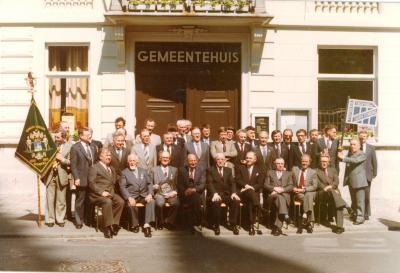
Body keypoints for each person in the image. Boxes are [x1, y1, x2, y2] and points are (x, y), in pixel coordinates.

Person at [88, 148, 124, 238]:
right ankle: (107, 227)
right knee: (107, 202)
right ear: (100, 157)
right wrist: (101, 192)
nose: (109, 157)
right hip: (97, 195)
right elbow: (91, 183)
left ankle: (114, 224)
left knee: (120, 202)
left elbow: (115, 180)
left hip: (110, 193)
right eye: (107, 155)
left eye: (110, 155)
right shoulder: (94, 167)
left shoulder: (111, 168)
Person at [119, 154, 155, 237]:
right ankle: (135, 225)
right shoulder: (124, 172)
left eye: (134, 161)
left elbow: (149, 184)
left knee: (151, 201)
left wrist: (150, 194)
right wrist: (129, 197)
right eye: (130, 161)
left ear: (137, 162)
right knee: (131, 205)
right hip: (132, 196)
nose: (132, 163)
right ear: (128, 162)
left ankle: (146, 225)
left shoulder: (143, 171)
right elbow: (122, 187)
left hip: (143, 195)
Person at [42, 129, 72, 227]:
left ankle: (60, 219)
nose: (55, 139)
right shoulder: (49, 145)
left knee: (61, 199)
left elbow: (72, 162)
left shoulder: (70, 146)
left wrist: (62, 159)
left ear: (64, 138)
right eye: (55, 137)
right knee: (49, 199)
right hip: (50, 175)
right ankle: (50, 219)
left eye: (58, 137)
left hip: (62, 175)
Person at [207, 153, 241, 235]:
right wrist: (214, 193)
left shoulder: (228, 170)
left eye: (222, 159)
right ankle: (216, 225)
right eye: (218, 159)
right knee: (216, 202)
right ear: (215, 160)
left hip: (226, 194)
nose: (220, 161)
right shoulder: (210, 170)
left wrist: (233, 193)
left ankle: (233, 224)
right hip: (216, 194)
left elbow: (232, 182)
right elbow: (209, 183)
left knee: (235, 201)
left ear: (225, 160)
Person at [70, 127, 97, 229]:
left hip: (92, 179)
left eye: (90, 134)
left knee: (90, 200)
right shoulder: (75, 148)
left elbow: (95, 162)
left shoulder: (93, 146)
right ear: (81, 136)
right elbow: (73, 165)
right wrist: (76, 178)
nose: (90, 136)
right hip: (81, 178)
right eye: (87, 135)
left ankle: (88, 219)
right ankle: (78, 220)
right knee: (80, 200)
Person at [338, 138, 368, 225]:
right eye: (351, 144)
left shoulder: (362, 154)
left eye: (354, 144)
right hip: (351, 181)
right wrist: (340, 152)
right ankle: (355, 214)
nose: (352, 146)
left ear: (359, 146)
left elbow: (354, 161)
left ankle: (360, 218)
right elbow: (345, 160)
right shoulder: (350, 153)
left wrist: (343, 157)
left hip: (359, 181)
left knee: (359, 201)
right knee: (354, 200)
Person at [315, 155, 346, 234]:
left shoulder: (333, 170)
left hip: (333, 192)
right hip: (322, 193)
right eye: (322, 161)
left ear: (328, 162)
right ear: (319, 162)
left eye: (325, 161)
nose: (324, 163)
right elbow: (318, 184)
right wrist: (327, 188)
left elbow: (336, 181)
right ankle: (346, 206)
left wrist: (331, 187)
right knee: (338, 199)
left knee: (337, 203)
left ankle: (339, 227)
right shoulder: (316, 171)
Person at [235, 151, 264, 236]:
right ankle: (259, 207)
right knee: (251, 196)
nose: (248, 159)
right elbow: (238, 179)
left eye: (250, 158)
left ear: (255, 159)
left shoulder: (259, 169)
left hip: (253, 194)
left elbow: (260, 183)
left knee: (251, 202)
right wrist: (246, 186)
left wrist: (251, 188)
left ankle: (251, 225)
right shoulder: (240, 168)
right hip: (242, 193)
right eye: (247, 158)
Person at [150, 151, 179, 229]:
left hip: (171, 194)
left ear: (169, 160)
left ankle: (169, 221)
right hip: (159, 193)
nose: (165, 159)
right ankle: (160, 221)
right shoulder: (154, 170)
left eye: (167, 158)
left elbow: (177, 184)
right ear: (160, 159)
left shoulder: (174, 170)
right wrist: (153, 186)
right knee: (160, 203)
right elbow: (149, 184)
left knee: (176, 203)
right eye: (163, 157)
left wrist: (174, 192)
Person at [264, 158, 293, 236]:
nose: (280, 165)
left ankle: (276, 228)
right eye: (278, 163)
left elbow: (291, 186)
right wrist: (274, 189)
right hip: (272, 195)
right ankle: (286, 216)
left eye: (282, 164)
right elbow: (266, 185)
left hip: (284, 195)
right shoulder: (270, 172)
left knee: (280, 202)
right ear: (275, 164)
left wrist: (282, 189)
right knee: (280, 199)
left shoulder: (288, 173)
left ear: (284, 164)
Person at [178, 154, 206, 233]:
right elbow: (179, 185)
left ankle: (192, 225)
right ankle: (199, 219)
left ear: (197, 161)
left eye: (194, 160)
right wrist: (185, 191)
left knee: (195, 197)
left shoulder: (201, 170)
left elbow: (202, 185)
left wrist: (193, 190)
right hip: (185, 194)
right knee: (194, 198)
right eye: (191, 161)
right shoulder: (182, 170)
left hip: (197, 193)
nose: (193, 163)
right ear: (187, 162)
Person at [291, 154, 318, 233]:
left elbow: (314, 186)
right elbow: (290, 182)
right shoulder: (294, 169)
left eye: (306, 161)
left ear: (309, 163)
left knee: (308, 195)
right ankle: (309, 222)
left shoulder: (313, 172)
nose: (304, 163)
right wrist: (293, 188)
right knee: (308, 197)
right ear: (300, 161)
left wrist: (304, 190)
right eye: (303, 161)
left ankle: (304, 216)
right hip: (298, 193)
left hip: (308, 192)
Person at [358, 130, 378, 220]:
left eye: (364, 137)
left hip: (367, 175)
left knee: (366, 195)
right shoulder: (355, 146)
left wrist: (374, 173)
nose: (362, 138)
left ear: (367, 137)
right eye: (361, 137)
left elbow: (374, 161)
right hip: (358, 175)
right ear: (359, 137)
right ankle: (357, 212)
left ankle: (366, 213)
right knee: (357, 195)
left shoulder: (371, 148)